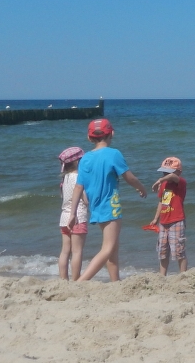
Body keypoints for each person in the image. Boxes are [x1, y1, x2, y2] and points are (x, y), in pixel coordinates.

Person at [68, 118, 147, 282]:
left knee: (113, 249)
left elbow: (78, 187)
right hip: (111, 206)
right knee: (108, 248)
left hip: (96, 207)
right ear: (112, 133)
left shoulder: (85, 158)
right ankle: (80, 282)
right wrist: (141, 187)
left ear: (89, 137)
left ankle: (115, 282)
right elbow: (129, 177)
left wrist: (72, 213)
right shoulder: (114, 154)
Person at [149, 156, 188, 275]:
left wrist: (159, 180)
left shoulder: (180, 182)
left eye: (168, 172)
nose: (165, 175)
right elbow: (162, 202)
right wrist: (156, 218)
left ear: (178, 172)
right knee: (163, 252)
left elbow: (173, 177)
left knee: (179, 251)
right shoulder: (164, 184)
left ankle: (183, 275)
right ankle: (162, 276)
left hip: (177, 220)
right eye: (164, 172)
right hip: (164, 221)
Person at [57, 146, 88, 280]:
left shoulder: (65, 178)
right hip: (77, 217)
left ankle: (63, 279)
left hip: (64, 217)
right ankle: (76, 280)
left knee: (65, 251)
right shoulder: (78, 178)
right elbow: (85, 200)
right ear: (77, 162)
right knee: (77, 251)